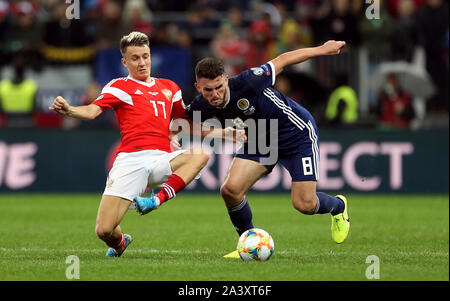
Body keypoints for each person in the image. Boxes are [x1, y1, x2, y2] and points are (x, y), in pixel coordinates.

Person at [49, 32, 214, 258]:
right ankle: (120, 243)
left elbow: (184, 124)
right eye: (135, 58)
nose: (142, 62)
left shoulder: (170, 88)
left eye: (145, 56)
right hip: (130, 160)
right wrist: (70, 110)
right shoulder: (118, 87)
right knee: (104, 229)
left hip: (161, 159)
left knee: (201, 154)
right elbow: (92, 111)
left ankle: (155, 200)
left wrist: (221, 132)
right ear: (124, 62)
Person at [188, 40, 350, 258]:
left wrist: (322, 50)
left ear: (226, 80)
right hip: (259, 138)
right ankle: (249, 243)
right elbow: (182, 123)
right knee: (230, 191)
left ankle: (338, 206)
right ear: (199, 88)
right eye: (208, 90)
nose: (215, 94)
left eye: (219, 87)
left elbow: (283, 60)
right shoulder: (200, 104)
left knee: (304, 204)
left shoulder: (248, 81)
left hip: (295, 133)